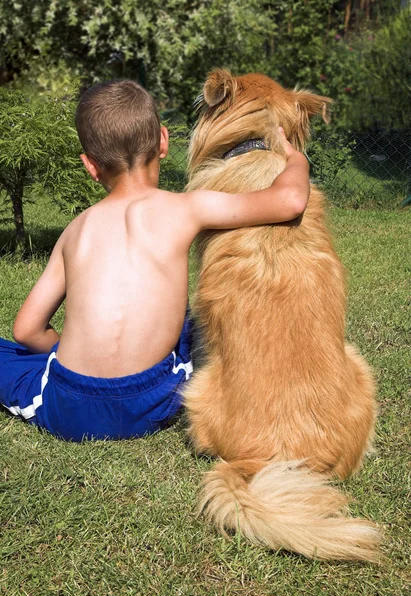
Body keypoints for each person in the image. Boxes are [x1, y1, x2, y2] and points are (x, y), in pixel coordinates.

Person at [0, 80, 310, 442]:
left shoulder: (75, 231)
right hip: (151, 402)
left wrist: (71, 359)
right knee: (194, 321)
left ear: (90, 166)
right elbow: (290, 200)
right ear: (163, 141)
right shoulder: (187, 208)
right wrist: (295, 158)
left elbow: (26, 330)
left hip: (69, 408)